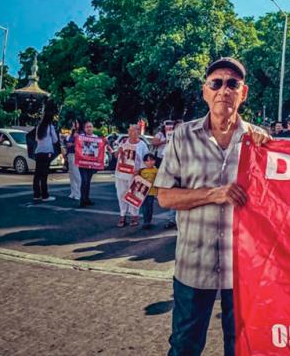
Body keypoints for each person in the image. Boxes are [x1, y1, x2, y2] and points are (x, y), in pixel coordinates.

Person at [155, 57, 270, 356]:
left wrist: (270, 151)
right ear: (204, 91)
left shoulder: (260, 143)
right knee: (184, 346)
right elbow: (165, 196)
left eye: (233, 84)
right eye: (216, 83)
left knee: (241, 347)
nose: (224, 90)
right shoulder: (182, 135)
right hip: (194, 264)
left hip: (243, 270)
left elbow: (280, 203)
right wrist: (213, 194)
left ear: (243, 93)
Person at [114, 124, 149, 227]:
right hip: (121, 173)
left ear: (138, 132)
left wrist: (139, 170)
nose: (130, 133)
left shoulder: (142, 145)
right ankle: (122, 216)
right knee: (121, 195)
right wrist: (118, 151)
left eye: (132, 131)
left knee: (134, 196)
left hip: (134, 175)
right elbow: (116, 155)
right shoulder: (123, 142)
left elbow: (146, 159)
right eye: (129, 131)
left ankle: (134, 217)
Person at [76, 121, 107, 208]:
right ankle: (82, 200)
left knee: (88, 182)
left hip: (91, 163)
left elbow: (100, 148)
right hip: (82, 163)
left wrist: (105, 141)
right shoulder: (80, 137)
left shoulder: (96, 138)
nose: (89, 128)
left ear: (93, 128)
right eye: (87, 127)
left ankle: (86, 199)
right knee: (84, 181)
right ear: (84, 128)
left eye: (90, 126)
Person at [32, 105, 60, 202]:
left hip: (38, 152)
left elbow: (36, 139)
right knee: (44, 175)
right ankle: (45, 195)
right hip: (47, 152)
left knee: (37, 174)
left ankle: (36, 194)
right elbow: (55, 140)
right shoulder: (50, 127)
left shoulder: (39, 127)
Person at [138, 153, 159, 230]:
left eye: (151, 160)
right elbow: (137, 180)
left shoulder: (156, 170)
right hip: (143, 192)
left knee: (150, 206)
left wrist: (158, 192)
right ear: (144, 162)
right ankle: (145, 221)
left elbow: (158, 181)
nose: (149, 162)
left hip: (152, 192)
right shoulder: (142, 171)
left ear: (155, 161)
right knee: (144, 207)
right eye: (147, 160)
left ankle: (148, 221)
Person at [64, 119, 83, 202]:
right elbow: (67, 141)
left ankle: (79, 193)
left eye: (76, 122)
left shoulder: (81, 133)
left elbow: (81, 143)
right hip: (70, 154)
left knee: (77, 174)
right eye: (73, 122)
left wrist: (72, 144)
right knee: (71, 174)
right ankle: (73, 192)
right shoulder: (72, 132)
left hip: (76, 155)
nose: (74, 124)